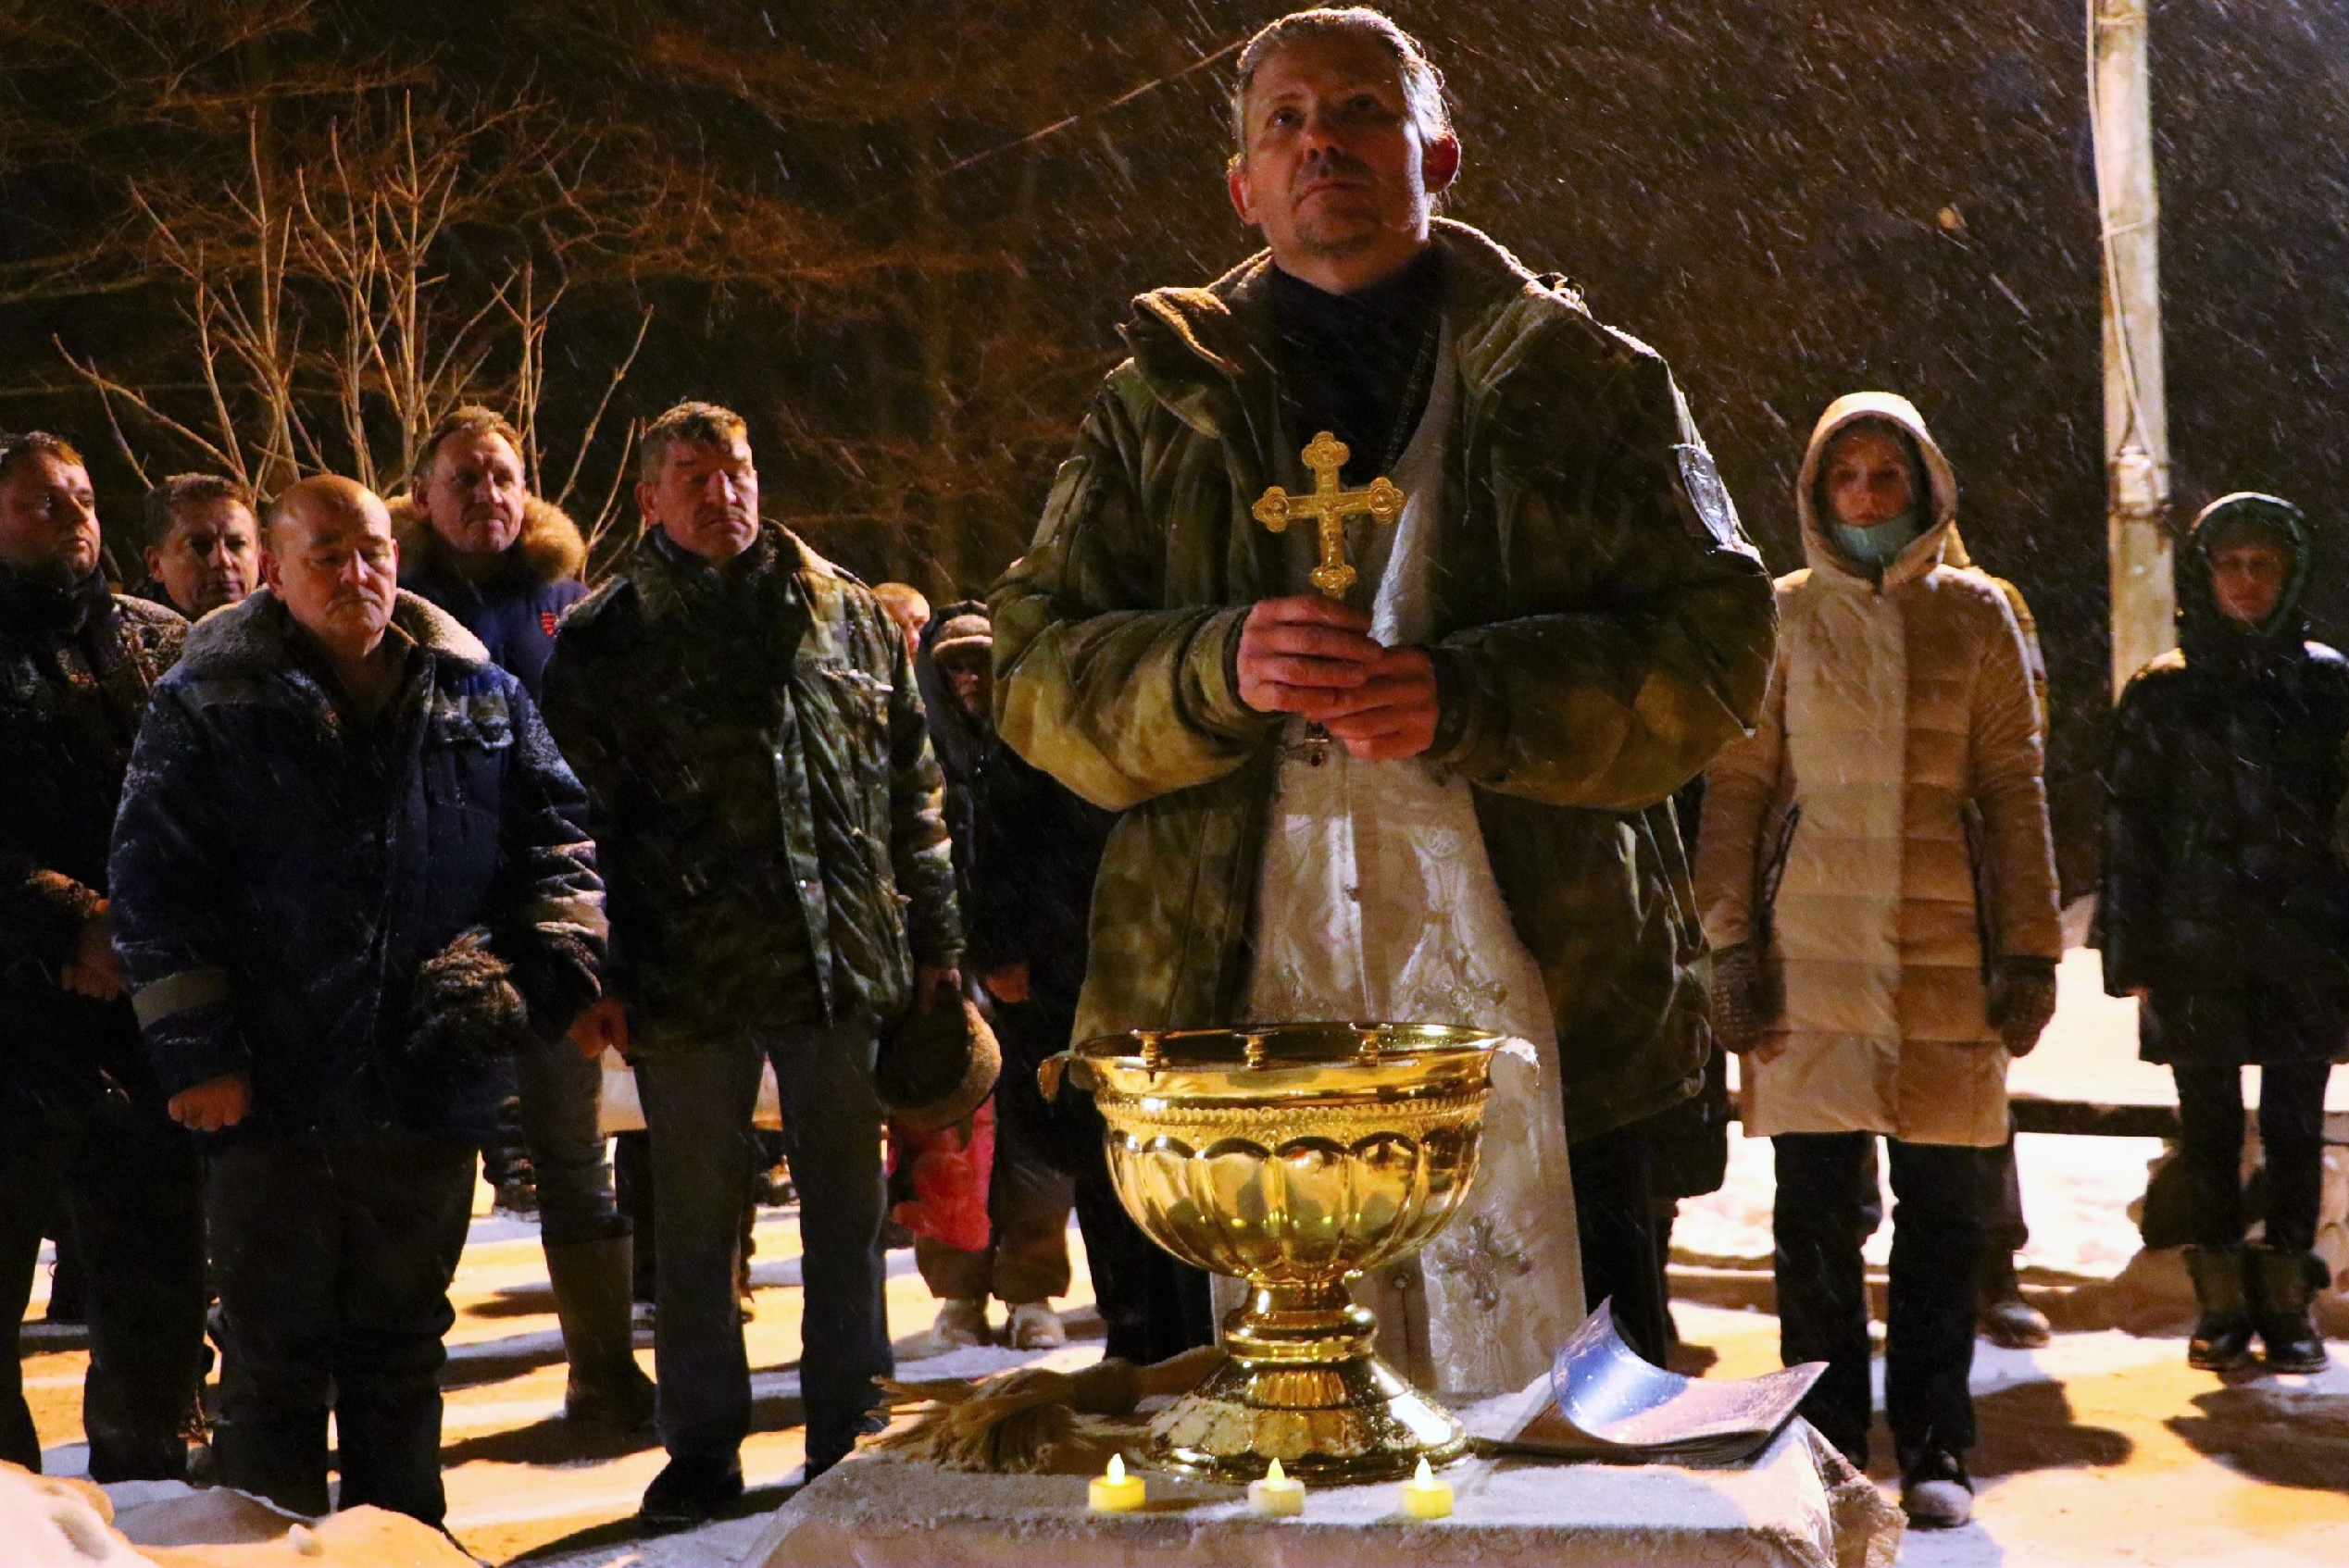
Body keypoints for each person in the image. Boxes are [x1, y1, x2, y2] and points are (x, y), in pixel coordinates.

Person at [991, 6, 1775, 1400]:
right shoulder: (1154, 405)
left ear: (1439, 151)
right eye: (1282, 121)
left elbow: (1717, 646)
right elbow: (1035, 665)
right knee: (1250, 1447)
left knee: (1552, 1447)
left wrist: (1470, 693)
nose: (1319, 144)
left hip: (1541, 984)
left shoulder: (1584, 382)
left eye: (1356, 110)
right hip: (1221, 1001)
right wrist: (1208, 667)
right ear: (1242, 184)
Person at [109, 475, 607, 1527]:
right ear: (277, 575)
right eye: (325, 554)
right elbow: (156, 886)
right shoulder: (205, 702)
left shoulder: (481, 695)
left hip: (422, 1083)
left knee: (401, 1355)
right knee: (272, 1366)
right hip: (269, 1095)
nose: (355, 573)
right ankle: (270, 1552)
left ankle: (402, 1548)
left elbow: (559, 849)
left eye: (372, 549)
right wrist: (197, 1055)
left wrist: (525, 983)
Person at [543, 402, 962, 1527]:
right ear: (649, 500)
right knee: (694, 1230)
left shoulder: (847, 613)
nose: (720, 492)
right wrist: (594, 972)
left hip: (838, 963)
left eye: (734, 470)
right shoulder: (606, 635)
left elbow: (909, 787)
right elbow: (572, 823)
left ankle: (850, 1427)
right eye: (692, 475)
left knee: (846, 1215)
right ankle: (701, 1449)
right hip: (683, 976)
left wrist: (937, 941)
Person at [1697, 393, 2062, 1528]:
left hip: (1947, 950)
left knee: (1944, 1212)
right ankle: (1818, 1439)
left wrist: (2028, 947)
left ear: (1921, 487)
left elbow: (2011, 788)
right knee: (1812, 1214)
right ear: (1815, 494)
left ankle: (1936, 1437)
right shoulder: (1783, 617)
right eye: (1844, 476)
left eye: (1883, 475)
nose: (1864, 494)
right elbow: (1740, 788)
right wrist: (1726, 940)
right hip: (1810, 953)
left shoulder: (1976, 616)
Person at [392, 404, 653, 1429]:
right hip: (438, 928)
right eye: (463, 478)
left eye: (502, 476)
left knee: (572, 1149)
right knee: (430, 1156)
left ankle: (603, 1369)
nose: (487, 496)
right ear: (421, 495)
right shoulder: (395, 596)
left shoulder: (568, 601)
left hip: (552, 915)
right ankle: (401, 1386)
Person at [2095, 492, 2344, 1375]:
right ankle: (2220, 1305)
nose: (2244, 581)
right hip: (2194, 947)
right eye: (2230, 564)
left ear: (2288, 576)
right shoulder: (2165, 691)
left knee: (2291, 1128)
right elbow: (2129, 830)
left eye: (2261, 565)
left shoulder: (2325, 685)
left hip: (2301, 946)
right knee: (2204, 1132)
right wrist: (2129, 956)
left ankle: (2287, 1304)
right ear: (2206, 575)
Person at [0, 430, 206, 1481]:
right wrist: (64, 918)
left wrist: (143, 927)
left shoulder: (160, 641)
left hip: (142, 1011)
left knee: (153, 1268)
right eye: (43, 501)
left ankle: (149, 1470)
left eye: (81, 496)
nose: (73, 513)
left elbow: (206, 809)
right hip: (14, 1016)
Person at [138, 473, 261, 618]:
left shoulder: (285, 628)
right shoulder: (126, 634)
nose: (222, 560)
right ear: (156, 564)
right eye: (199, 546)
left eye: (237, 544)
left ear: (259, 554)